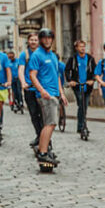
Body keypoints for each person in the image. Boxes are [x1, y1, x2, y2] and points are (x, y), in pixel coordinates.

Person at [28, 28, 67, 164]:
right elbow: (32, 75)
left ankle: (45, 150)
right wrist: (42, 90)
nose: (47, 40)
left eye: (49, 38)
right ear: (40, 40)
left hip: (54, 93)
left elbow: (56, 75)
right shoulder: (37, 55)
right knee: (50, 123)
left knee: (49, 123)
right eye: (44, 38)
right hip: (46, 95)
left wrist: (61, 93)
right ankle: (43, 152)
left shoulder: (52, 56)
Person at [18, 33, 44, 146]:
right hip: (29, 88)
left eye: (35, 40)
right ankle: (39, 135)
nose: (33, 42)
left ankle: (45, 138)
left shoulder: (43, 54)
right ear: (28, 41)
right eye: (31, 40)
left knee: (43, 115)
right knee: (34, 114)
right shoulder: (25, 54)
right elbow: (21, 69)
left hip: (41, 89)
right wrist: (23, 82)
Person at [65, 39, 95, 137]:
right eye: (80, 46)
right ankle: (82, 126)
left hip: (87, 86)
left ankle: (81, 126)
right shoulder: (73, 59)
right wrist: (70, 81)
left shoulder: (90, 58)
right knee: (81, 104)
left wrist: (92, 80)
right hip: (77, 86)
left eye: (83, 46)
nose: (82, 48)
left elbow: (95, 71)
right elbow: (67, 70)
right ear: (76, 48)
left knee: (84, 106)